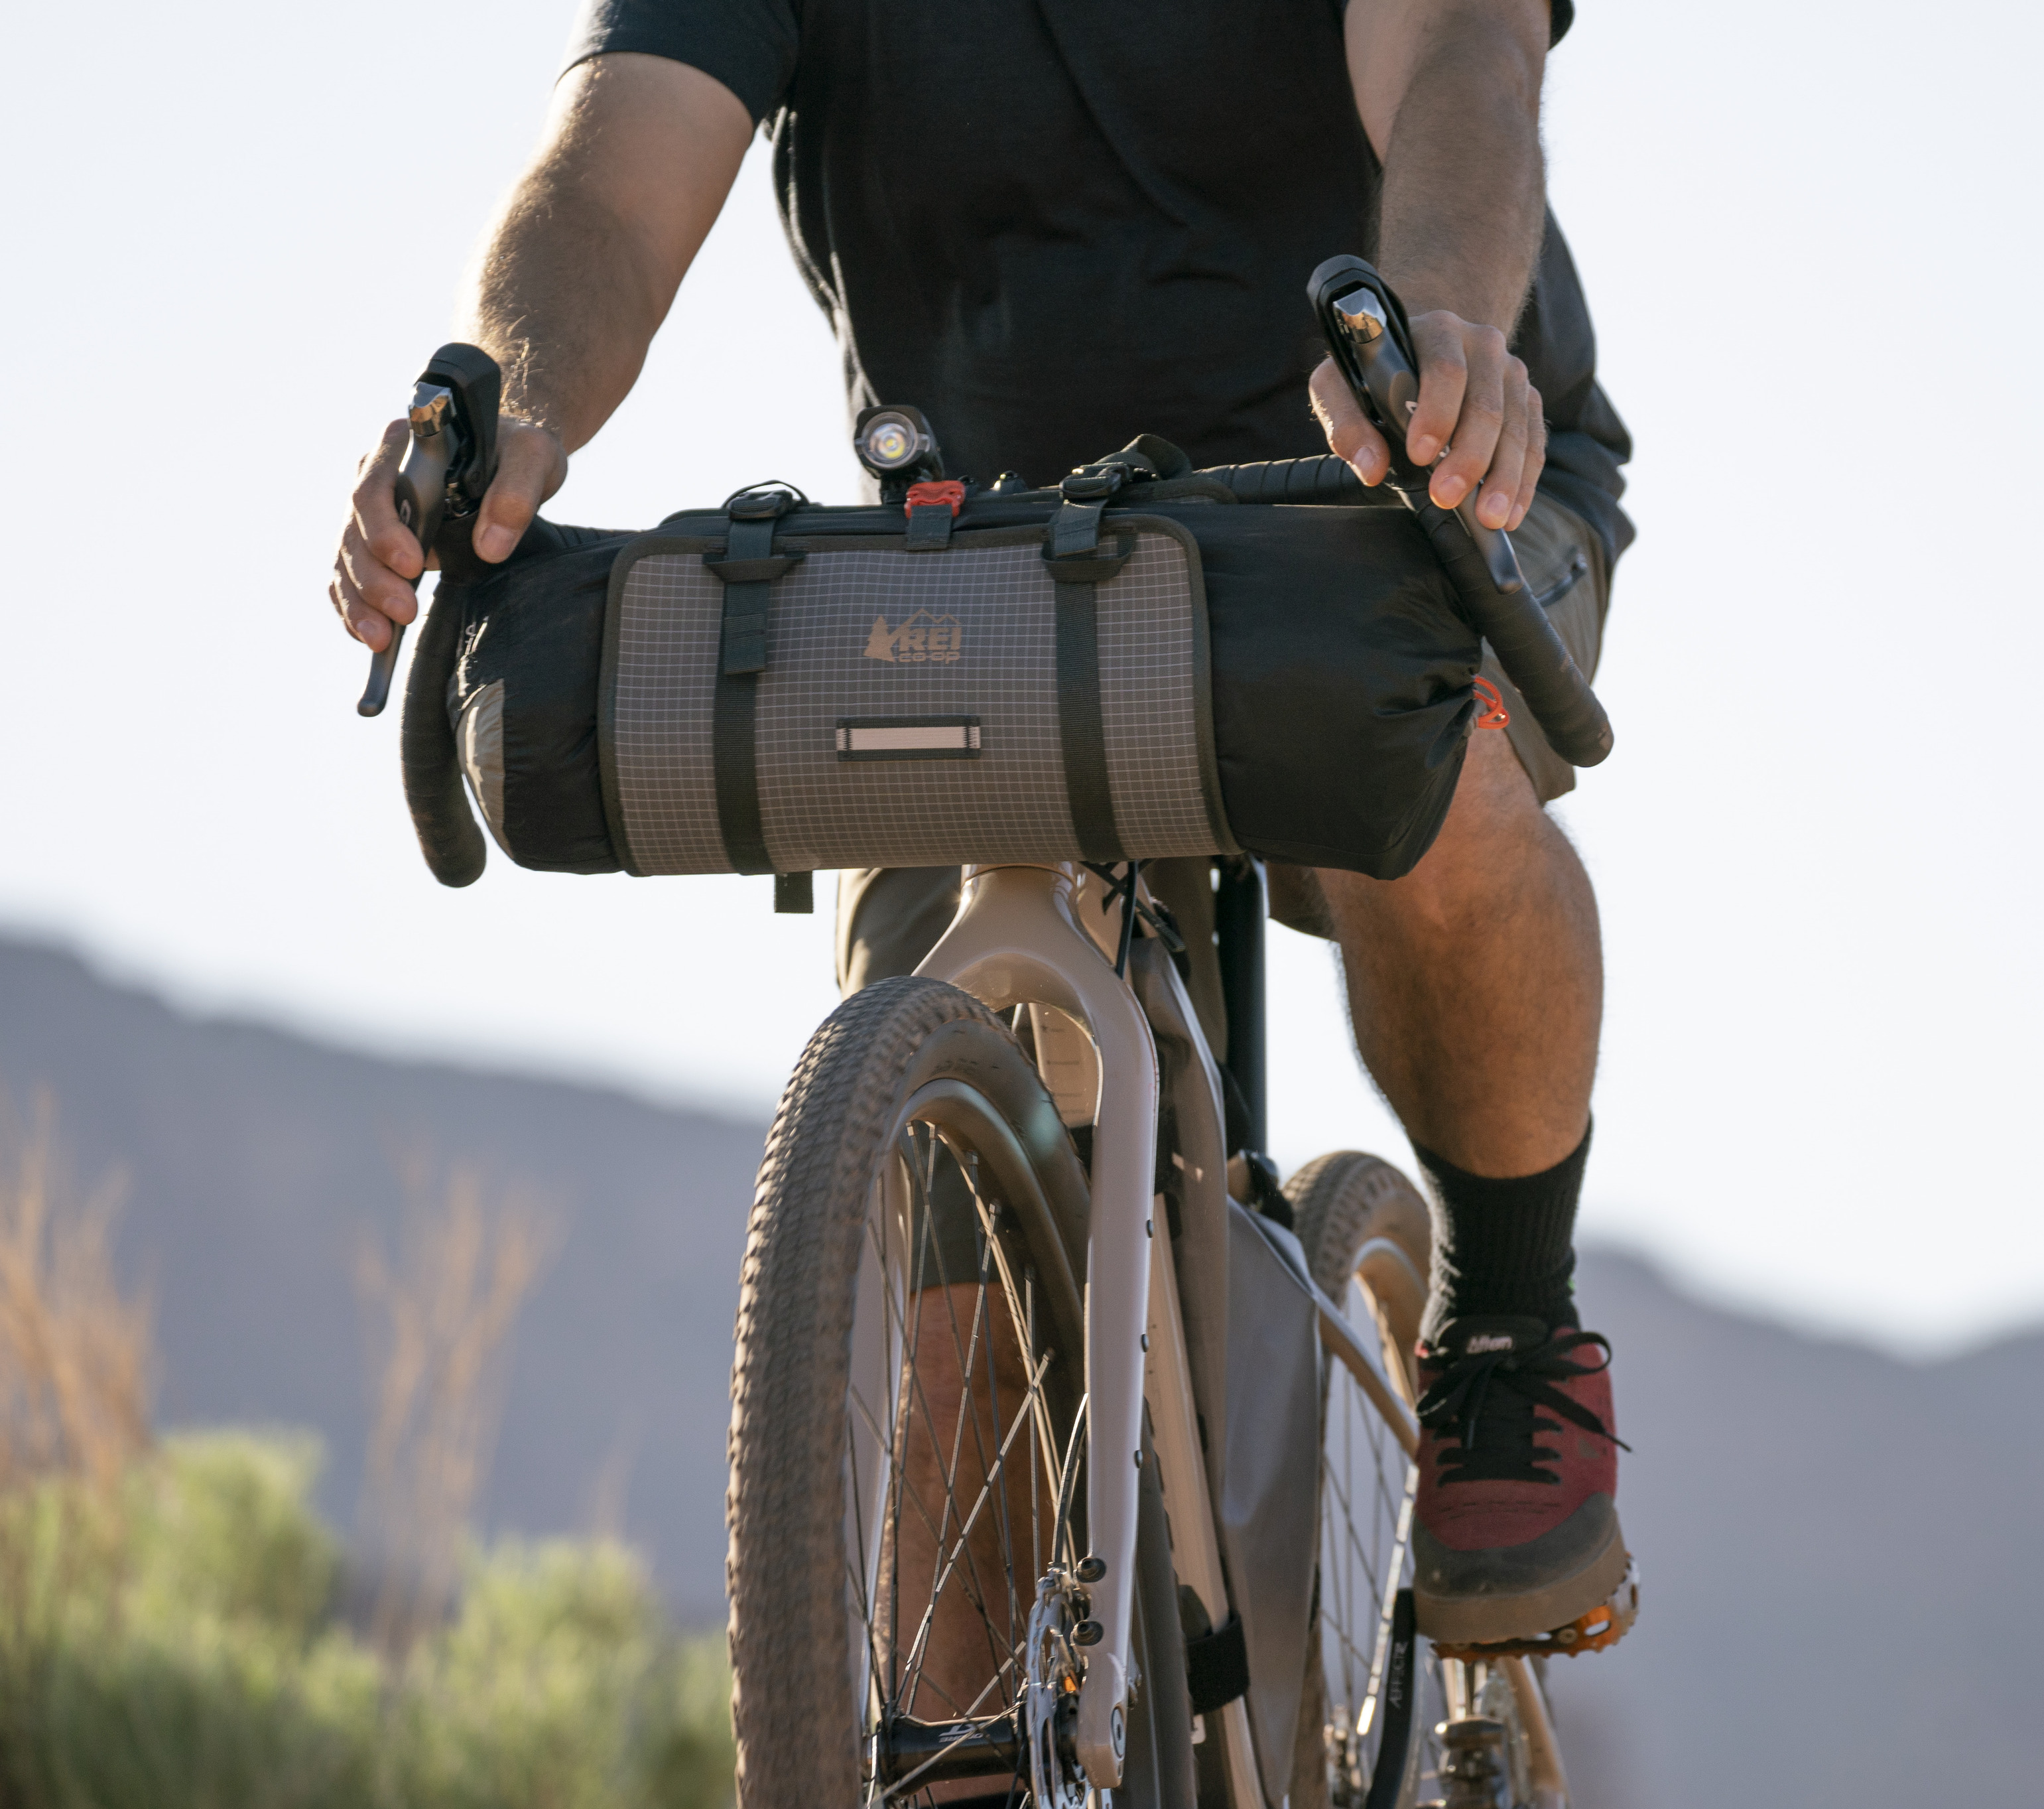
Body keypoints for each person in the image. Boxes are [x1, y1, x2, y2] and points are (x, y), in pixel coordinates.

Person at [327, 0, 1633, 1654]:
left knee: (1432, 764)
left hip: (1398, 485)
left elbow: (1458, 57)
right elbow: (608, 182)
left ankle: (1510, 1319)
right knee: (956, 1398)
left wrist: (1443, 327)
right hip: (1000, 558)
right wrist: (503, 406)